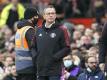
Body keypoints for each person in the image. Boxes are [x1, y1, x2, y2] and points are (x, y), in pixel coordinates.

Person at [35, 5, 71, 80]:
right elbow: (33, 46)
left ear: (55, 15)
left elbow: (67, 48)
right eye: (48, 13)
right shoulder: (38, 30)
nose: (51, 15)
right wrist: (36, 57)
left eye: (53, 13)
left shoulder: (62, 29)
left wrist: (54, 57)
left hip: (55, 69)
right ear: (44, 16)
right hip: (41, 69)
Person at [15, 7, 39, 80]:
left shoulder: (19, 30)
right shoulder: (29, 30)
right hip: (29, 67)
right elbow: (33, 49)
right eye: (36, 16)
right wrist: (38, 67)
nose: (38, 18)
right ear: (31, 17)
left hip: (20, 67)